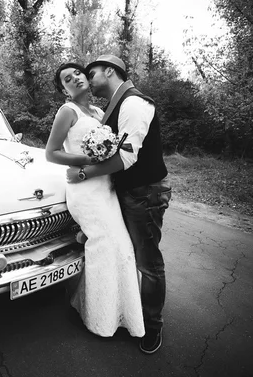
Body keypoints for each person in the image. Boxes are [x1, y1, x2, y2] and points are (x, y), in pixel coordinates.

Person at [66, 55, 171, 354]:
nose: (87, 78)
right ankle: (130, 312)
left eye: (92, 72)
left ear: (109, 71)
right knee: (126, 253)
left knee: (148, 264)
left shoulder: (135, 103)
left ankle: (153, 327)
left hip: (145, 192)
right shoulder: (114, 105)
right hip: (129, 191)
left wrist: (84, 173)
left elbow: (127, 157)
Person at [46, 62, 145, 339]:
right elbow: (51, 153)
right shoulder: (68, 111)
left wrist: (103, 158)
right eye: (67, 79)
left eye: (78, 73)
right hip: (85, 191)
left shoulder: (100, 112)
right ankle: (100, 319)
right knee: (110, 245)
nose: (75, 78)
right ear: (64, 90)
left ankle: (116, 310)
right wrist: (86, 160)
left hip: (105, 187)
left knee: (117, 247)